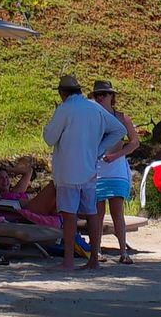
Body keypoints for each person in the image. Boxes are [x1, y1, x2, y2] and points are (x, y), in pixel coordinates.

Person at [41, 72, 128, 269]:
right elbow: (119, 130)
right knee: (91, 213)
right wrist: (99, 149)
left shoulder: (65, 109)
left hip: (68, 170)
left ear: (62, 93)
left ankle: (69, 260)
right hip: (90, 169)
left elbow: (49, 138)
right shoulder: (94, 108)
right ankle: (94, 260)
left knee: (69, 215)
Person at [90, 80, 142, 262]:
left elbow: (135, 142)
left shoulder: (121, 117)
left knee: (117, 211)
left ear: (112, 96)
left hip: (116, 168)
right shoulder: (91, 118)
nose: (100, 98)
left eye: (104, 94)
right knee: (97, 212)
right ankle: (96, 252)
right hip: (97, 169)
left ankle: (123, 252)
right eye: (97, 95)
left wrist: (117, 155)